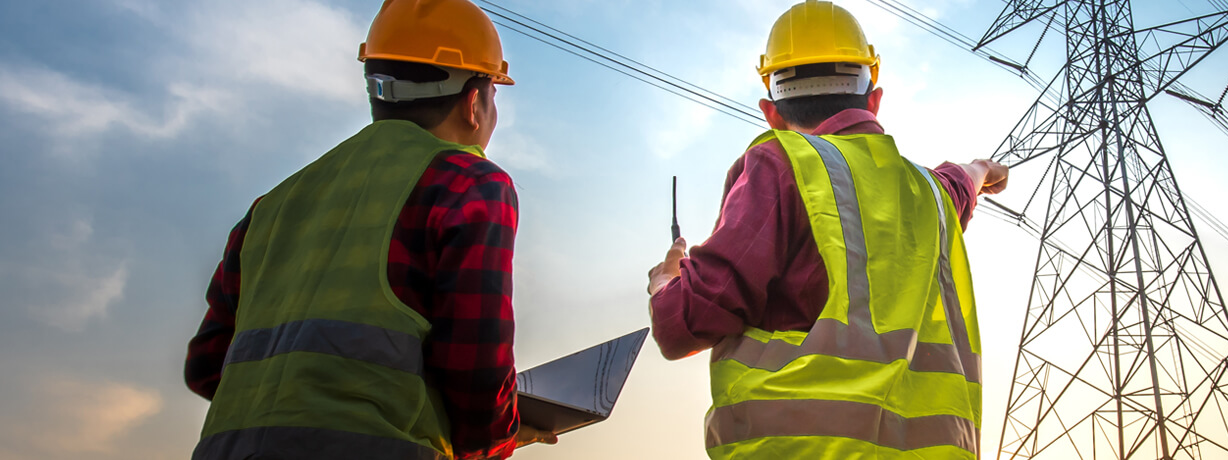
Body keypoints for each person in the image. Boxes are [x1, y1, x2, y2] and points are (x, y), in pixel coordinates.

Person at [183, 1, 554, 458]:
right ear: (474, 103)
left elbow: (207, 366)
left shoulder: (271, 206)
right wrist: (502, 435)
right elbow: (475, 372)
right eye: (494, 94)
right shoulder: (469, 185)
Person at [645, 1, 1011, 458]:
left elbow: (685, 324)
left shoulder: (780, 165)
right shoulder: (930, 196)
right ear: (874, 99)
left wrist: (666, 281)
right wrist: (981, 168)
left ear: (770, 112)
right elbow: (959, 182)